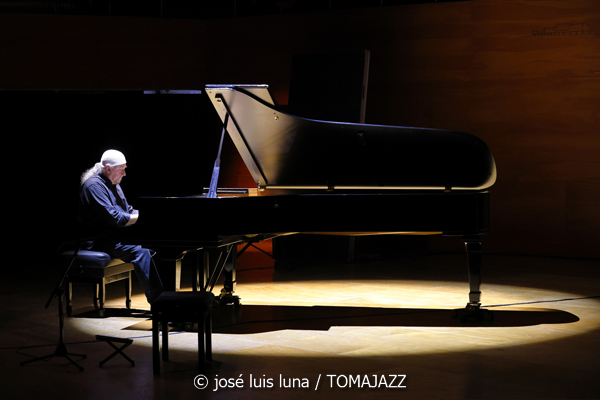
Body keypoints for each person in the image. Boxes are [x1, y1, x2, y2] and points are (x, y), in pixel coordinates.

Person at [79, 149, 163, 303]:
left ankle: (168, 297)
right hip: (100, 240)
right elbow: (115, 218)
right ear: (108, 168)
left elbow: (127, 210)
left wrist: (150, 215)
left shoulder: (114, 183)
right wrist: (142, 218)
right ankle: (159, 303)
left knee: (158, 246)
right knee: (142, 251)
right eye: (121, 169)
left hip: (116, 237)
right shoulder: (93, 186)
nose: (124, 173)